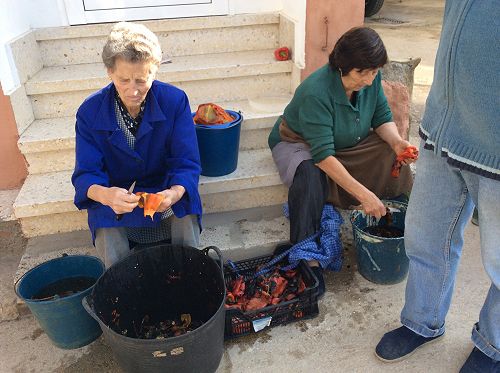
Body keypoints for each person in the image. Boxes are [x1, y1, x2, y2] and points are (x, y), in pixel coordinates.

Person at [375, 1, 499, 372]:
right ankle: (422, 322)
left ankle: (493, 345)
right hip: (442, 134)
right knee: (425, 239)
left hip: (495, 151)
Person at [268, 27, 417, 295]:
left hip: (344, 143)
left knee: (388, 153)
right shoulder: (316, 91)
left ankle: (397, 216)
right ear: (342, 66)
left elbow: (382, 117)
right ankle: (307, 257)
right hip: (300, 143)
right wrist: (363, 193)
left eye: (373, 72)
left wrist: (397, 143)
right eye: (362, 73)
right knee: (309, 174)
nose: (370, 80)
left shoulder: (370, 79)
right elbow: (323, 156)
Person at [72, 22, 202, 267]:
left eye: (142, 80)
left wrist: (173, 193)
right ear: (109, 72)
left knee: (185, 208)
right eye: (124, 80)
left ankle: (190, 272)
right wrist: (106, 194)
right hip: (117, 195)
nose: (133, 90)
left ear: (155, 71)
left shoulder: (174, 101)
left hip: (163, 189)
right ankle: (122, 285)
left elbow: (186, 162)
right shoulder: (90, 112)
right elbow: (86, 175)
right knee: (105, 223)